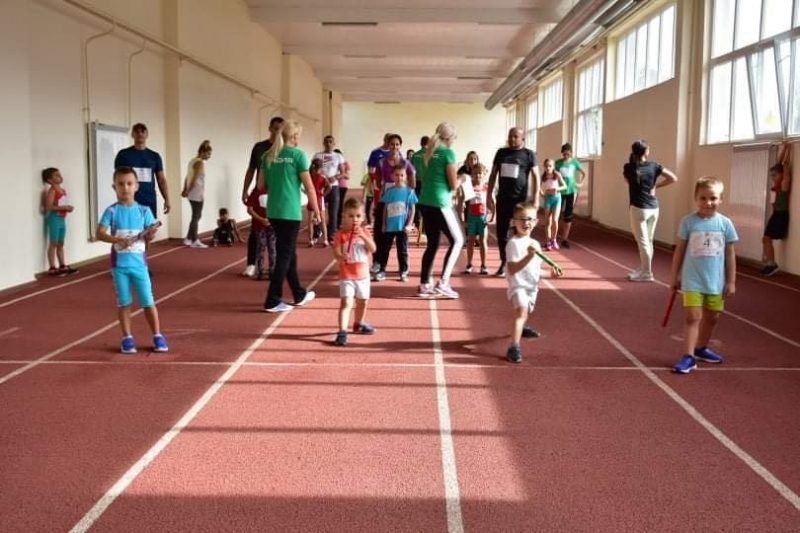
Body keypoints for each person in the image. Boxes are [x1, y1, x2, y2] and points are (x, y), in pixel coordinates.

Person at [95, 167, 168, 354]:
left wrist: (150, 234)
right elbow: (99, 233)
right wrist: (117, 240)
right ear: (114, 187)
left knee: (148, 301)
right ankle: (127, 338)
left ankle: (157, 335)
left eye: (129, 184)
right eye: (121, 184)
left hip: (139, 265)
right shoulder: (111, 211)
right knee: (124, 302)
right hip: (119, 266)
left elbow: (150, 235)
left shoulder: (144, 211)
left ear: (136, 186)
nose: (125, 188)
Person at [670, 177, 738, 374]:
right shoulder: (688, 222)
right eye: (703, 198)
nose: (708, 202)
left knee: (713, 317)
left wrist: (731, 281)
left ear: (721, 199)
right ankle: (688, 356)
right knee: (693, 317)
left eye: (713, 198)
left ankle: (701, 348)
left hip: (715, 282)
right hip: (692, 280)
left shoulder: (725, 224)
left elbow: (730, 254)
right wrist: (674, 276)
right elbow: (679, 251)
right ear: (695, 198)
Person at [257, 120, 321, 313]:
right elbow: (310, 187)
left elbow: (260, 185)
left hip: (273, 211)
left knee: (289, 252)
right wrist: (317, 211)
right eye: (299, 135)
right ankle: (272, 300)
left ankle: (298, 293)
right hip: (290, 211)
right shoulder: (298, 155)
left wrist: (277, 180)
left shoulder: (268, 156)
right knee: (285, 255)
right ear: (294, 136)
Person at [504, 203, 563, 364]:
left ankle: (521, 328)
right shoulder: (513, 244)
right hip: (518, 286)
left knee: (525, 312)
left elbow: (535, 271)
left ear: (536, 222)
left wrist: (550, 275)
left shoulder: (535, 244)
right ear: (513, 222)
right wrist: (529, 256)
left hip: (532, 287)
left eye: (530, 219)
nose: (526, 223)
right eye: (522, 219)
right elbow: (512, 269)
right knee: (521, 312)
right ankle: (514, 347)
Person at [417, 122, 464, 299]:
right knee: (458, 240)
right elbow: (453, 185)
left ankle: (424, 284)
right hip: (440, 202)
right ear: (449, 138)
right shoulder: (448, 153)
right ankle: (443, 283)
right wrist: (463, 178)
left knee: (433, 243)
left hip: (425, 201)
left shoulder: (428, 152)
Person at [622, 140, 678, 282]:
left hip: (638, 208)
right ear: (646, 152)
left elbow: (628, 181)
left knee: (643, 242)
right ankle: (644, 268)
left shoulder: (628, 167)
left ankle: (647, 273)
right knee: (649, 241)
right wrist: (655, 186)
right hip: (654, 208)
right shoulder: (654, 166)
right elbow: (673, 178)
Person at [487, 127, 540, 277]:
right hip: (503, 199)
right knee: (501, 232)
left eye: (516, 137)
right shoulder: (501, 153)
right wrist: (488, 194)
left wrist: (536, 198)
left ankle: (521, 262)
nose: (512, 139)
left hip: (520, 201)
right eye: (510, 136)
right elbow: (493, 174)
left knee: (520, 231)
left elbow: (536, 176)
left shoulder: (529, 154)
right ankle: (504, 262)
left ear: (523, 139)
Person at [241, 116, 284, 278]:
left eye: (281, 129)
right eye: (276, 128)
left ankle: (276, 265)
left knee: (277, 232)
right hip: (260, 191)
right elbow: (251, 169)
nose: (278, 131)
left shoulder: (285, 150)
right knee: (256, 229)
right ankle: (252, 264)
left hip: (278, 193)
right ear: (270, 128)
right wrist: (245, 190)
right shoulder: (259, 147)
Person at [333, 198, 377, 346]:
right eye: (350, 216)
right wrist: (341, 256)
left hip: (363, 276)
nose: (354, 219)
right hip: (347, 276)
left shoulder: (365, 232)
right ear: (344, 217)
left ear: (363, 217)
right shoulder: (340, 235)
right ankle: (342, 331)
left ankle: (359, 323)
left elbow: (373, 249)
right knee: (346, 302)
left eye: (358, 216)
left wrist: (363, 236)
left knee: (363, 302)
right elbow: (336, 253)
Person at [114, 123, 171, 221]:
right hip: (129, 200)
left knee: (149, 228)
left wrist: (167, 199)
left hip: (149, 200)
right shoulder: (123, 155)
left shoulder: (155, 156)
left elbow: (161, 180)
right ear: (132, 134)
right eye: (137, 131)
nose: (140, 134)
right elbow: (117, 179)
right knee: (131, 227)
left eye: (143, 131)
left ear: (147, 134)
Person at [374, 162, 417, 282]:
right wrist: (384, 223)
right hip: (389, 227)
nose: (399, 178)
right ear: (392, 176)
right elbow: (385, 209)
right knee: (385, 249)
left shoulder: (409, 192)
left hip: (402, 227)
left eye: (402, 175)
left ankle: (403, 271)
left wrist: (409, 224)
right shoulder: (389, 191)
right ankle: (382, 271)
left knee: (402, 250)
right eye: (397, 175)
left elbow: (412, 209)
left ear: (405, 176)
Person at [760, 143, 792, 277]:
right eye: (771, 175)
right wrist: (784, 148)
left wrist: (789, 151)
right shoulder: (776, 184)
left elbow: (784, 166)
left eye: (775, 175)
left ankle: (772, 264)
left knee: (766, 238)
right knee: (765, 239)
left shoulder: (784, 184)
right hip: (775, 214)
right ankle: (770, 263)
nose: (772, 178)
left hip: (781, 215)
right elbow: (779, 164)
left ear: (781, 175)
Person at [41, 168, 78, 277]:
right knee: (53, 243)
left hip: (62, 218)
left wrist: (67, 208)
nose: (60, 176)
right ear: (50, 180)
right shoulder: (52, 191)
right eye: (56, 175)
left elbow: (61, 204)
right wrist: (64, 207)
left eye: (59, 174)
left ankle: (62, 265)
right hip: (54, 218)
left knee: (60, 243)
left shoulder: (63, 191)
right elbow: (48, 206)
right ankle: (52, 268)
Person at [313, 136, 347, 242]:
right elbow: (312, 170)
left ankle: (331, 234)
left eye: (330, 142)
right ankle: (317, 232)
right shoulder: (317, 155)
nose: (328, 144)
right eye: (326, 142)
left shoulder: (338, 156)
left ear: (334, 143)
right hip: (320, 187)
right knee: (317, 211)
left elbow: (343, 173)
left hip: (333, 187)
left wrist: (335, 177)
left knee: (333, 212)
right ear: (323, 143)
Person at [181, 140, 212, 248]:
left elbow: (187, 177)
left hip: (193, 193)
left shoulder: (192, 161)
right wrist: (187, 190)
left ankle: (188, 238)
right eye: (208, 154)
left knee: (197, 215)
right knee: (196, 216)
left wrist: (185, 189)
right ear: (202, 152)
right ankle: (194, 240)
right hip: (196, 193)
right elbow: (194, 179)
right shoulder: (200, 163)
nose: (209, 156)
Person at [460, 164, 490, 275]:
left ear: (484, 174)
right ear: (472, 174)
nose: (477, 175)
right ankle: (469, 264)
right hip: (472, 218)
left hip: (483, 219)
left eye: (480, 173)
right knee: (471, 241)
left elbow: (493, 203)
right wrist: (463, 220)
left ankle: (484, 265)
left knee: (483, 241)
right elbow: (462, 203)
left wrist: (491, 218)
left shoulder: (487, 188)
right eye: (475, 173)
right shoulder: (469, 188)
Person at [555, 143, 585, 249]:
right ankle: (553, 238)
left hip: (571, 192)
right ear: (562, 153)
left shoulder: (575, 163)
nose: (566, 155)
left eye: (568, 154)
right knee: (557, 215)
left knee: (568, 216)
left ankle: (565, 239)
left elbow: (583, 173)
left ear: (571, 153)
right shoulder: (558, 163)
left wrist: (580, 184)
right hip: (560, 192)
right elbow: (553, 175)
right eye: (564, 154)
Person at [246, 187, 276, 280]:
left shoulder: (275, 190)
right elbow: (249, 209)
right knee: (260, 248)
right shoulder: (256, 191)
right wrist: (261, 219)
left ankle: (273, 271)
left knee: (272, 248)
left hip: (272, 226)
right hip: (259, 226)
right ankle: (260, 271)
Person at [539, 158, 567, 251]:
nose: (548, 168)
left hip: (557, 198)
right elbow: (538, 187)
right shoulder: (543, 176)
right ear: (544, 167)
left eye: (550, 166)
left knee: (555, 220)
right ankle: (548, 241)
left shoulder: (557, 174)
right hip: (548, 199)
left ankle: (554, 240)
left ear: (553, 167)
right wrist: (542, 194)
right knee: (548, 221)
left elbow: (565, 186)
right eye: (546, 166)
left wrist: (557, 189)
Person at [307, 158, 331, 247]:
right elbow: (330, 187)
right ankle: (325, 240)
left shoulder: (309, 177)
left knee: (310, 222)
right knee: (323, 221)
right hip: (320, 200)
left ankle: (311, 240)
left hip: (311, 200)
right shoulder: (323, 177)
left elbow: (307, 188)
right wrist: (323, 194)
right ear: (321, 167)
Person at [410, 136, 429, 229]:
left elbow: (410, 170)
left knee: (417, 203)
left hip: (416, 182)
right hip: (427, 183)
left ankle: (417, 224)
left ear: (421, 143)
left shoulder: (415, 155)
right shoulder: (432, 155)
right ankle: (425, 226)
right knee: (427, 204)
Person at [334, 148, 351, 229]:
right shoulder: (332, 163)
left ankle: (338, 223)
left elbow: (348, 176)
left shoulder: (345, 163)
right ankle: (333, 222)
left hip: (342, 186)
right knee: (333, 205)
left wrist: (340, 175)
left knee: (339, 204)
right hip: (333, 186)